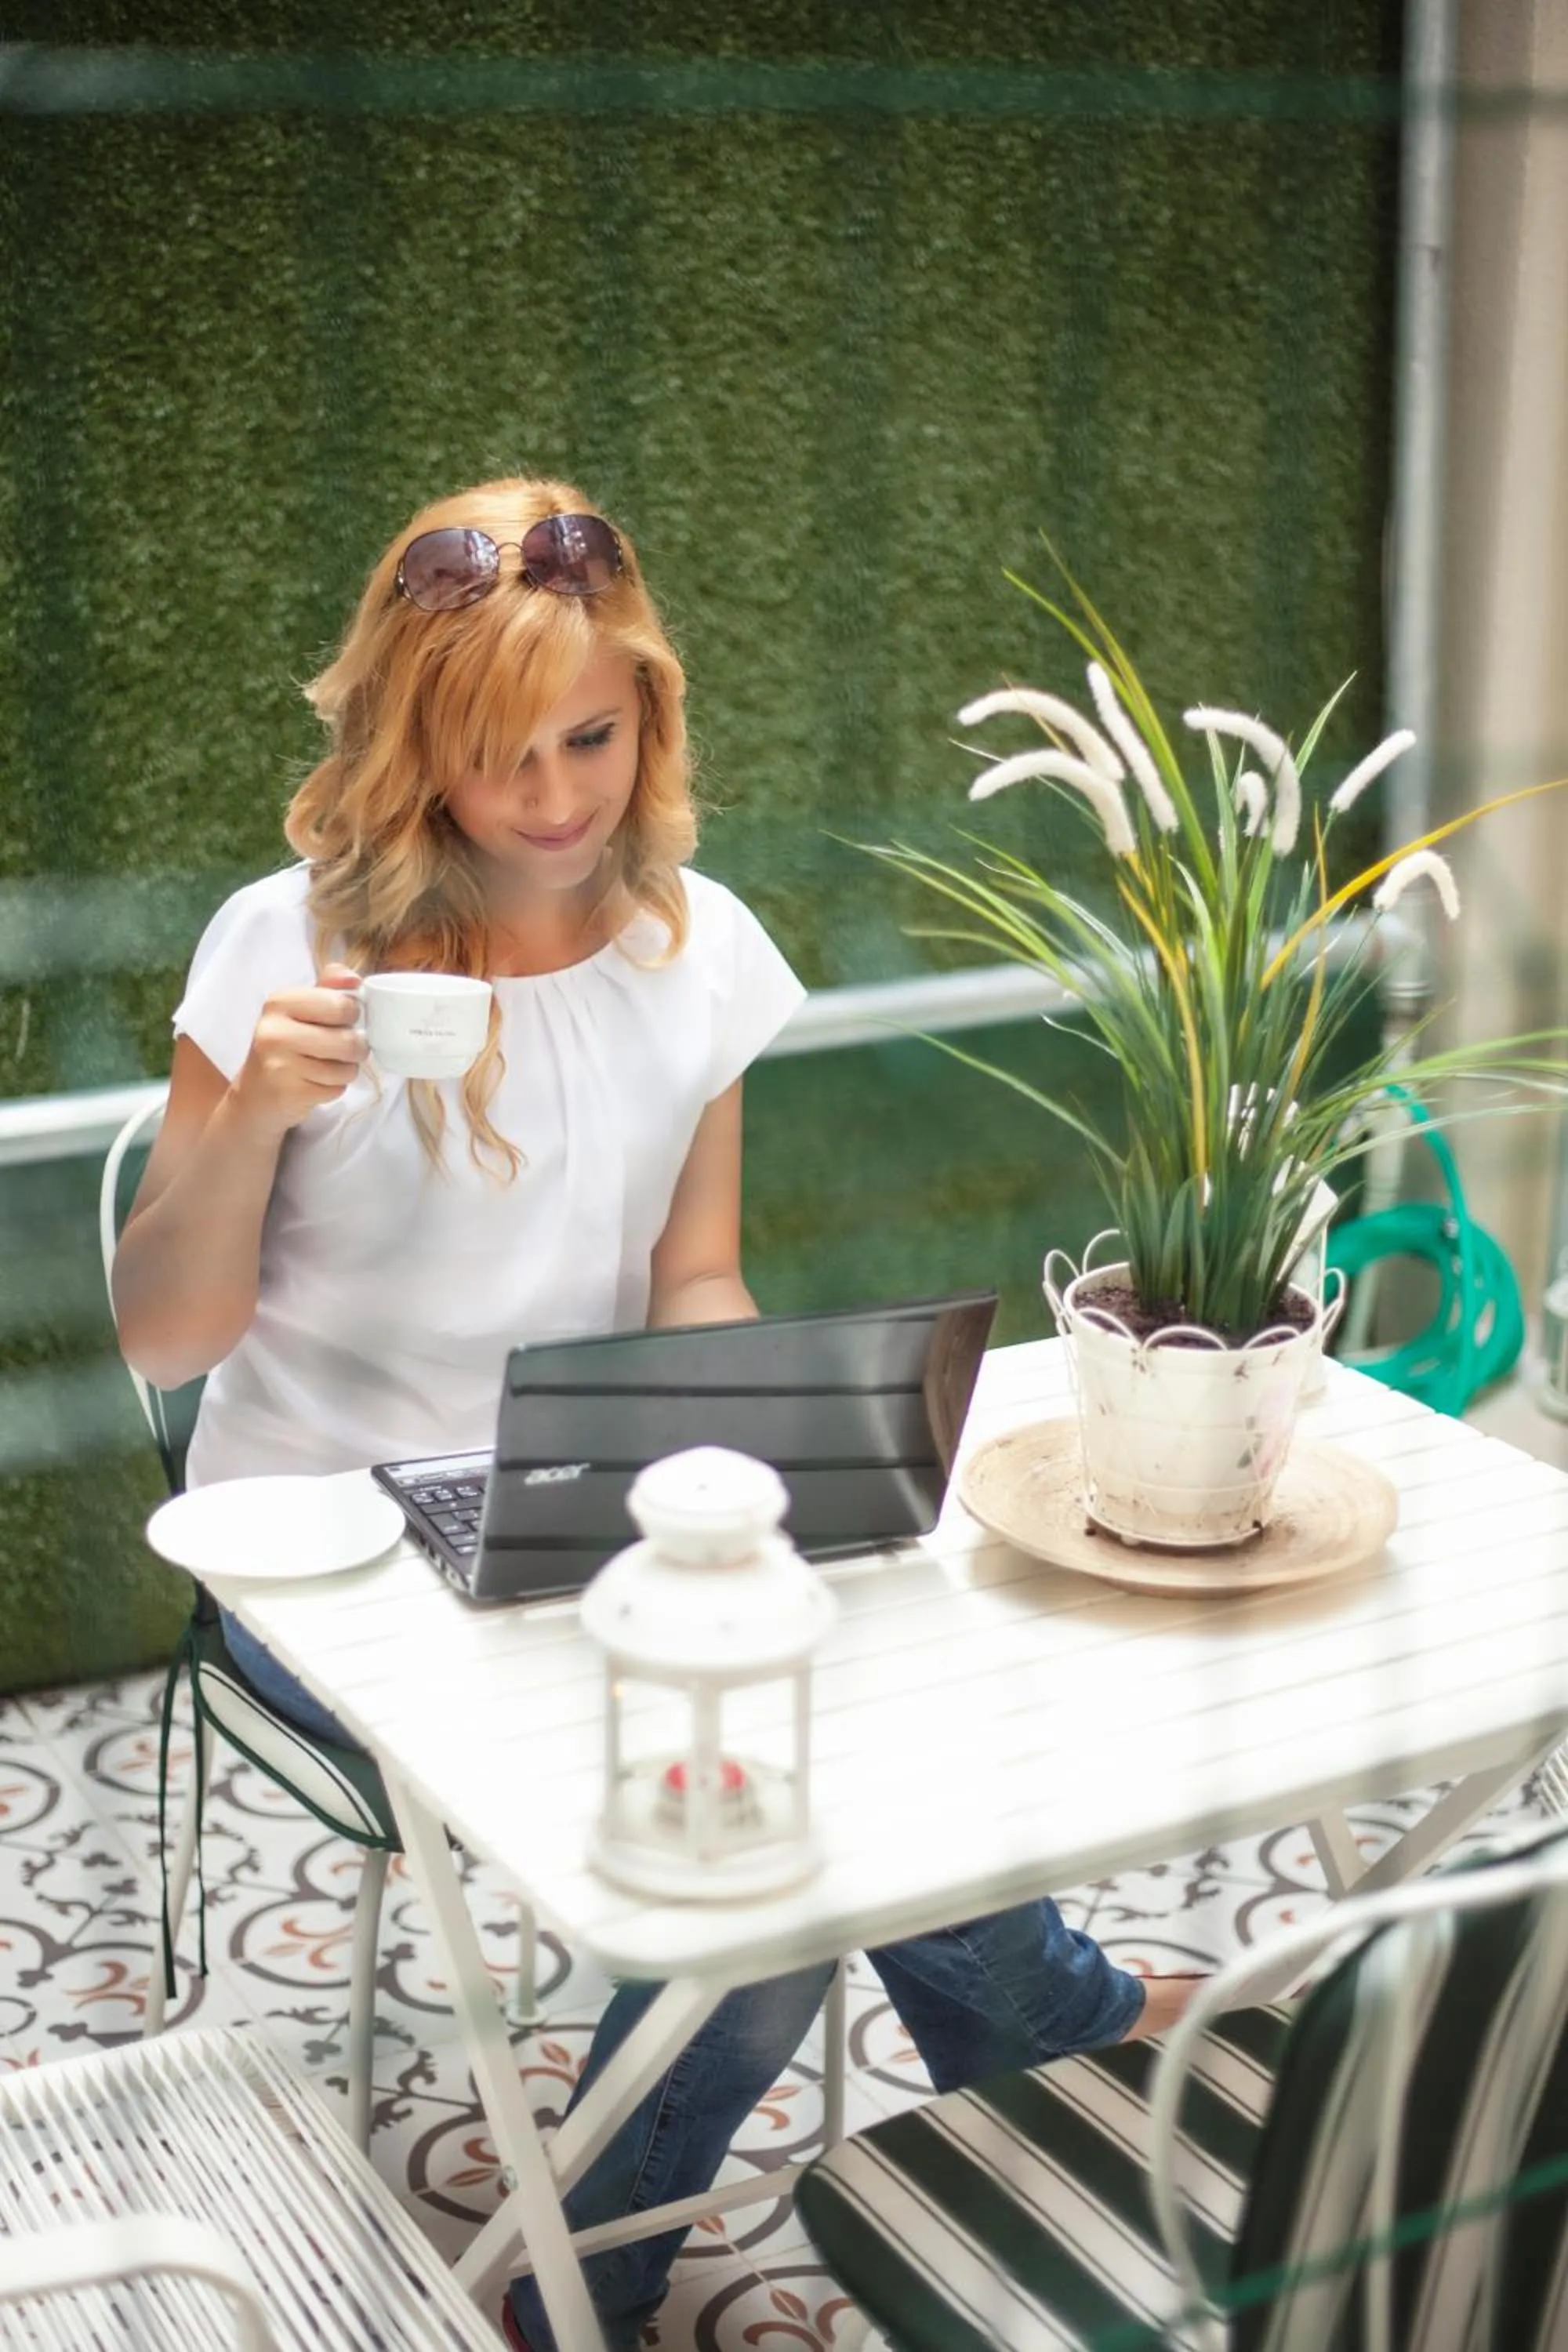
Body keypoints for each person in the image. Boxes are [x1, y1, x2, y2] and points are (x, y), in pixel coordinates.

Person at [113, 475, 1200, 2352]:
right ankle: (967, 2073)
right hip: (321, 1549)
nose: (553, 797)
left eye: (593, 737)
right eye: (496, 751)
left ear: (652, 711)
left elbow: (690, 1280)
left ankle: (640, 2240)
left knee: (823, 1723)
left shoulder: (690, 947)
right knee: (761, 1835)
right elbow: (161, 1329)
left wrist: (766, 1437)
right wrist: (245, 1121)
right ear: (408, 741)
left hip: (579, 1511)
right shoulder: (279, 949)